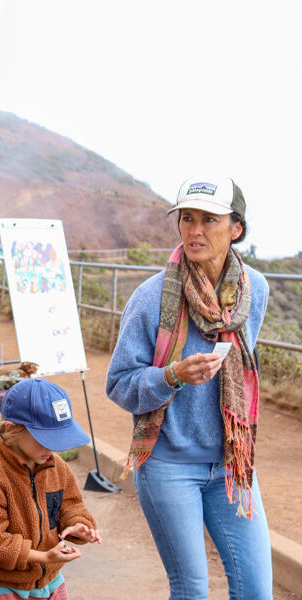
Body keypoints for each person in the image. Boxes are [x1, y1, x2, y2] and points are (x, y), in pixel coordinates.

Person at [106, 176, 271, 599]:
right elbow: (119, 384)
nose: (195, 230)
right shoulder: (151, 298)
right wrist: (172, 376)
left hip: (233, 465)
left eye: (209, 220)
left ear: (236, 228)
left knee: (255, 590)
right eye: (187, 218)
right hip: (168, 464)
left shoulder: (256, 290)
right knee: (192, 589)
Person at [0, 378, 101, 600]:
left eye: (57, 438)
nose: (51, 447)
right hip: (6, 589)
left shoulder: (57, 466)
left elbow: (71, 505)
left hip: (51, 581)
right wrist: (42, 557)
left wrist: (78, 525)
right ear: (11, 429)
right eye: (44, 439)